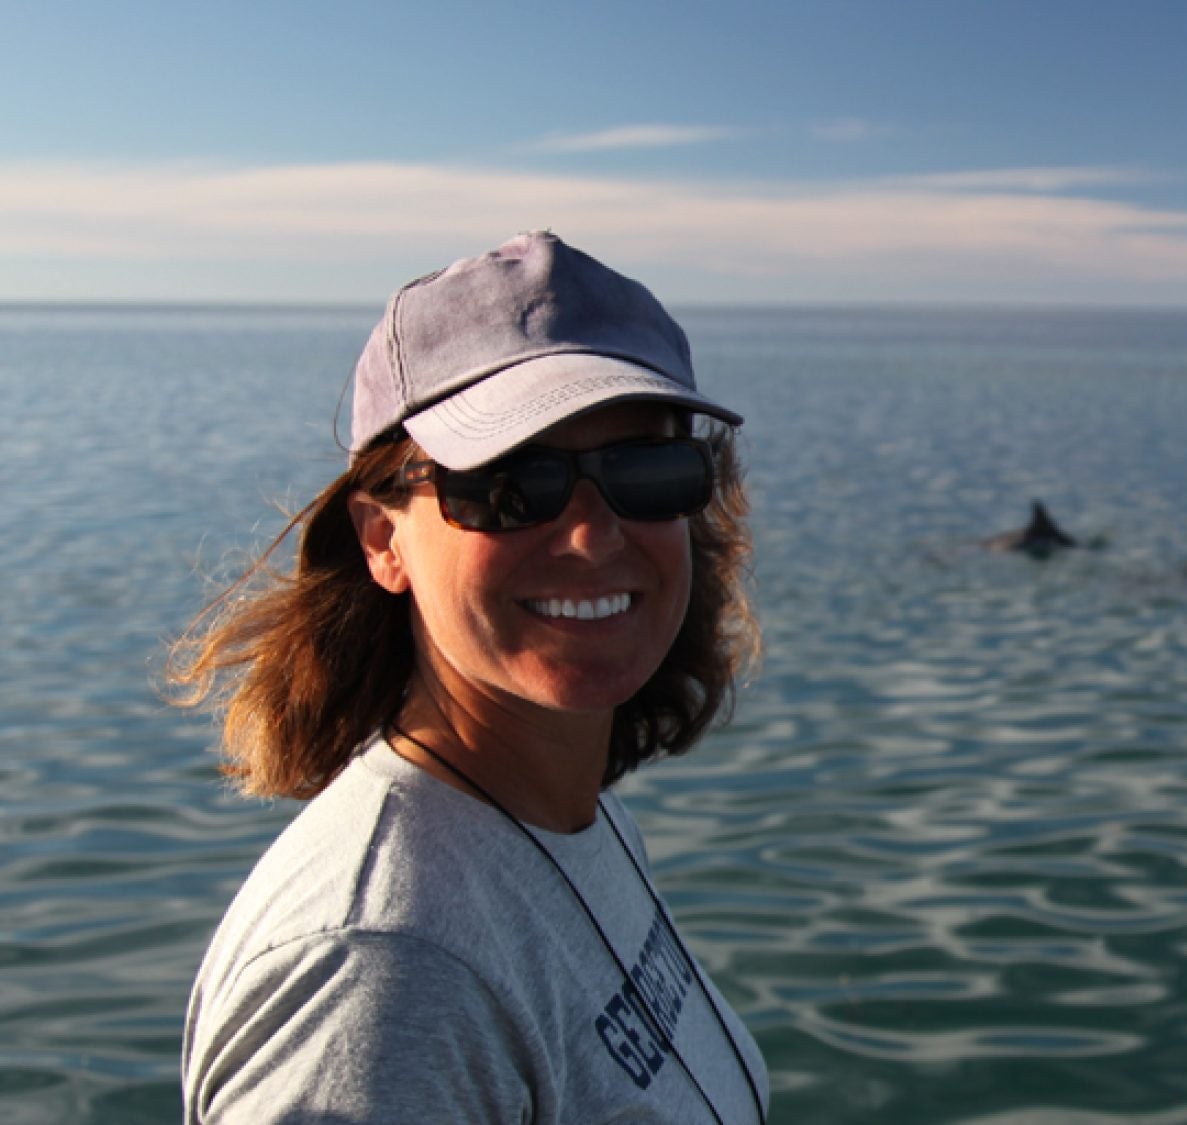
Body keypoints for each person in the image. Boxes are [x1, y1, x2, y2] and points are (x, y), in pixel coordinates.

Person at [169, 232, 769, 1123]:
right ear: (383, 539)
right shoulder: (379, 971)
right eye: (509, 483)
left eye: (646, 468)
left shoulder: (574, 823)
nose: (592, 535)